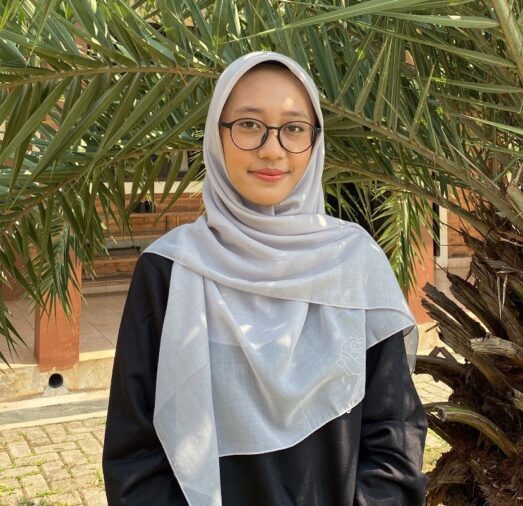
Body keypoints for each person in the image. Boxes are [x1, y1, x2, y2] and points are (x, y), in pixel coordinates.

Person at [102, 51, 428, 506]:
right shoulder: (170, 270)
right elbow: (134, 455)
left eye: (293, 128)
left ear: (314, 142)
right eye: (249, 124)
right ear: (216, 136)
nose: (272, 149)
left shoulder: (355, 264)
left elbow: (395, 433)